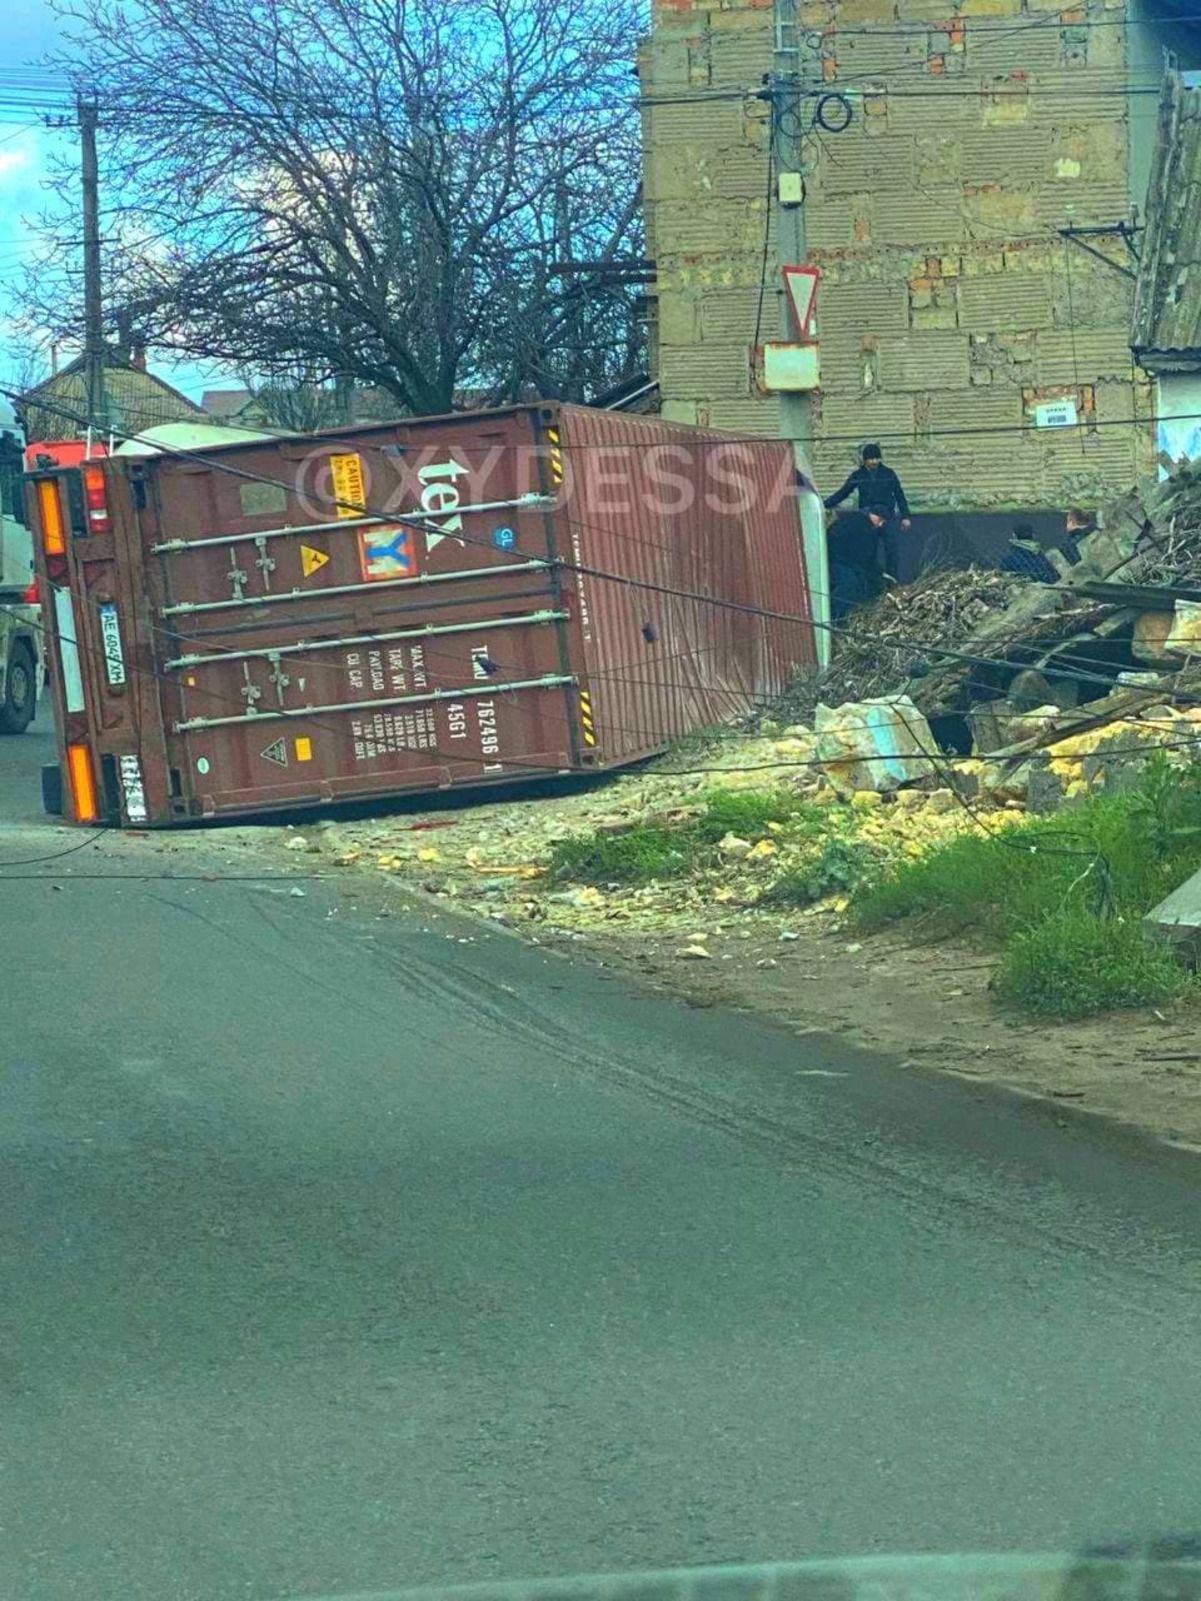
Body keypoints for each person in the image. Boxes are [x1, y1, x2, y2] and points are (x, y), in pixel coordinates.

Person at [823, 442, 912, 578]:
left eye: (877, 458)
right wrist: (824, 504)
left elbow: (899, 494)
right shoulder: (859, 475)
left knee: (891, 549)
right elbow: (843, 492)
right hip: (867, 517)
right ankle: (873, 581)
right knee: (868, 551)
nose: (874, 462)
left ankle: (892, 580)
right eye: (871, 459)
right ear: (865, 460)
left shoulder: (888, 473)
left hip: (886, 515)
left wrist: (905, 516)